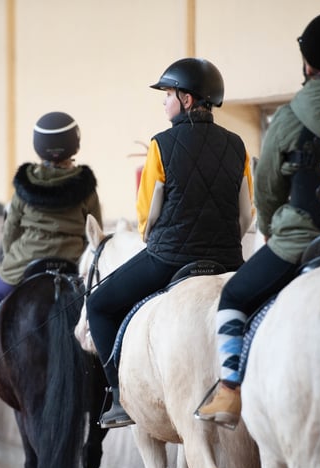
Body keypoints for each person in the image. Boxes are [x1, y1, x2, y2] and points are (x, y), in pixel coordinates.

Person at [195, 12, 320, 428]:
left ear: (310, 65)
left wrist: (273, 229)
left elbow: (268, 192)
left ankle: (230, 388)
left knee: (234, 296)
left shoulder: (288, 118)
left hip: (303, 244)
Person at [86, 58, 254, 429]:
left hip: (169, 257)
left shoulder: (160, 145)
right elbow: (246, 215)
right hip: (229, 259)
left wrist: (161, 241)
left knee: (98, 304)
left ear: (188, 100)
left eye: (168, 95)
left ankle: (117, 395)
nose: (164, 102)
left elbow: (147, 217)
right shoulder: (237, 145)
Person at [0, 111, 102, 382]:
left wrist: (8, 261)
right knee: (101, 306)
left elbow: (10, 232)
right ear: (74, 143)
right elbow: (94, 230)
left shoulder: (24, 185)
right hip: (73, 264)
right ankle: (109, 366)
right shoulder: (85, 187)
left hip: (25, 263)